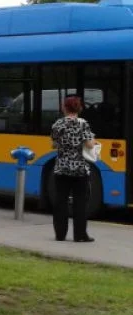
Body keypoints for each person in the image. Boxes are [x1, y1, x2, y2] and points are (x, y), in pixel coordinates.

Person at [51, 95, 96, 242]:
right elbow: (89, 145)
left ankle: (60, 234)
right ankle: (80, 235)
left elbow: (54, 144)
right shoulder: (83, 124)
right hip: (80, 169)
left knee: (61, 201)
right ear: (79, 108)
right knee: (80, 203)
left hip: (62, 168)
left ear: (64, 107)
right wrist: (94, 140)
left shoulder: (58, 124)